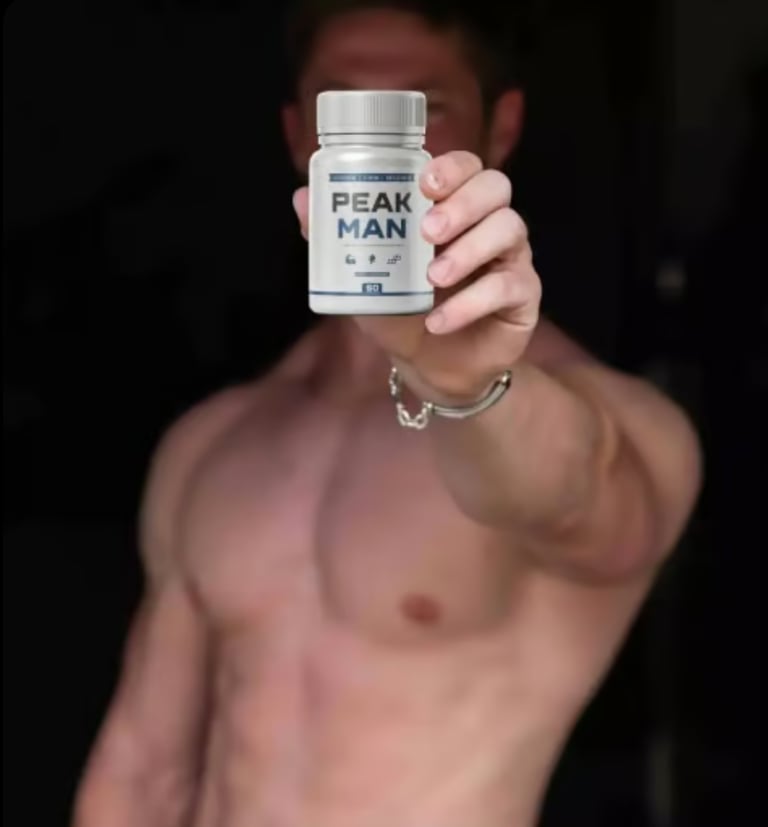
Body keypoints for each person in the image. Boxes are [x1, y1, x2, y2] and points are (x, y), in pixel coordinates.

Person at [73, 1, 702, 825]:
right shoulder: (215, 438)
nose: (381, 147)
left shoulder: (619, 422)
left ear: (501, 128)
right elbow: (140, 769)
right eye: (345, 106)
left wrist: (468, 385)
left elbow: (574, 493)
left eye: (423, 108)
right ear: (302, 136)